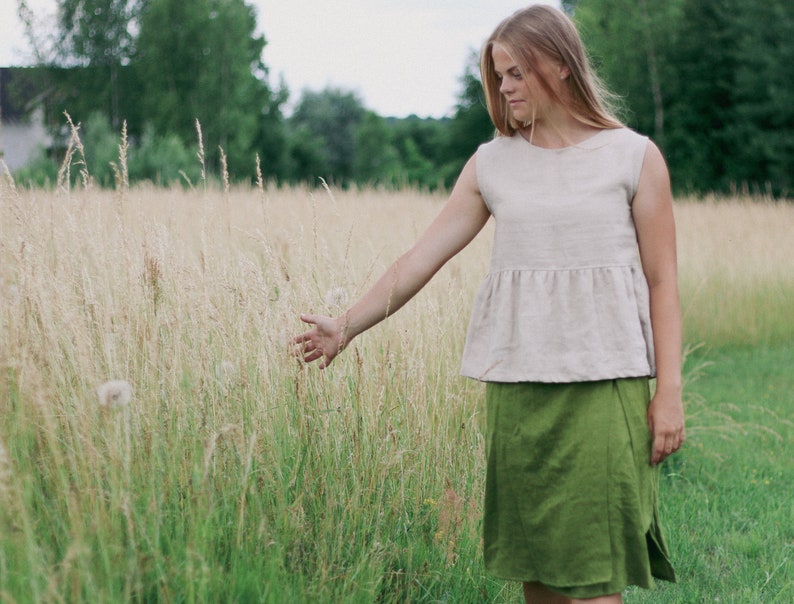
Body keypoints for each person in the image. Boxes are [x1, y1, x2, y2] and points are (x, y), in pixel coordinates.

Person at [293, 4, 685, 603]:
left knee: (596, 573)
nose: (503, 89)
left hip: (605, 387)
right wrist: (344, 327)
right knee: (536, 570)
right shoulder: (492, 163)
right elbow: (420, 259)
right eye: (497, 76)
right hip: (518, 390)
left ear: (558, 65)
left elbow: (663, 281)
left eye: (515, 74)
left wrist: (671, 393)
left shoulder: (633, 157)